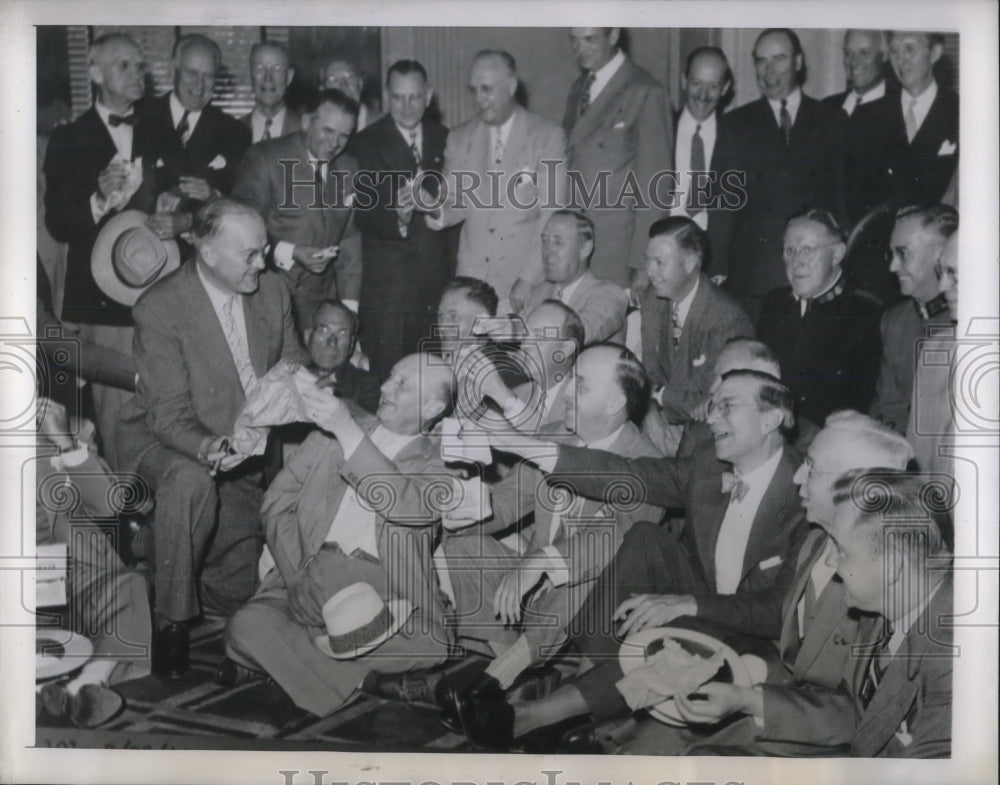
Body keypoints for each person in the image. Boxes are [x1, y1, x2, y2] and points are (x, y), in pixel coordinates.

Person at [453, 369, 807, 749]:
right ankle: (582, 693)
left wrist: (687, 603)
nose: (712, 416)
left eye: (728, 407)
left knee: (683, 634)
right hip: (706, 595)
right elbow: (625, 473)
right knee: (644, 539)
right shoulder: (708, 466)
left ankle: (538, 716)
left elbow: (776, 612)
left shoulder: (804, 492)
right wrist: (523, 445)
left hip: (760, 631)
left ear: (770, 419)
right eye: (713, 405)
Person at [364, 344, 663, 713]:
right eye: (570, 378)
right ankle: (512, 664)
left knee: (589, 573)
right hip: (539, 591)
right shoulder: (557, 438)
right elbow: (505, 503)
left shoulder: (650, 466)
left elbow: (612, 539)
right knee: (461, 543)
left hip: (599, 605)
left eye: (580, 385)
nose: (566, 391)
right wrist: (461, 510)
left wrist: (538, 562)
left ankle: (495, 680)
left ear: (616, 401)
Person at [617, 411, 914, 756]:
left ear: (858, 487)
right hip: (776, 679)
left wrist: (751, 698)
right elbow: (782, 625)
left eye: (812, 468)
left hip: (816, 730)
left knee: (683, 750)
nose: (798, 476)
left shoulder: (880, 584)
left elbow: (855, 711)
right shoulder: (815, 537)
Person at [116, 198, 309, 676]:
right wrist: (211, 447)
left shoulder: (273, 292)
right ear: (208, 255)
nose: (261, 263)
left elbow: (295, 366)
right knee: (189, 482)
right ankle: (170, 621)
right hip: (167, 445)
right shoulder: (161, 308)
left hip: (245, 454)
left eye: (263, 250)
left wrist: (291, 397)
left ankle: (157, 549)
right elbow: (168, 414)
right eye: (250, 254)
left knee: (238, 593)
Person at [223, 353, 455, 717]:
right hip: (311, 568)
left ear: (433, 405)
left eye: (402, 383)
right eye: (390, 376)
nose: (384, 387)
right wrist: (294, 576)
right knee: (244, 626)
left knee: (431, 645)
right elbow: (275, 504)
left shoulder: (443, 463)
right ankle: (373, 682)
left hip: (383, 591)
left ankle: (283, 661)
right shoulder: (327, 437)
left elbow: (408, 506)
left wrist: (348, 430)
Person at [679, 470, 954, 758]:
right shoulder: (887, 605)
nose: (831, 562)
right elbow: (860, 712)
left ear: (893, 567)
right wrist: (746, 700)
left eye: (842, 551)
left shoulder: (955, 674)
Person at [43, 32, 170, 471]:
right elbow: (57, 222)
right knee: (115, 422)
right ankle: (124, 521)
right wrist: (97, 200)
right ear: (95, 73)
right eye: (124, 66)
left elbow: (177, 201)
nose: (138, 75)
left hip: (159, 295)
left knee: (162, 413)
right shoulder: (68, 138)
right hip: (100, 305)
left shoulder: (160, 129)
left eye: (141, 66)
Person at [710, 28, 848, 318]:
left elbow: (842, 199)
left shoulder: (832, 119)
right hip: (755, 275)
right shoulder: (736, 124)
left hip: (815, 270)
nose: (768, 70)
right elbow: (722, 204)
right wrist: (718, 267)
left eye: (779, 59)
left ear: (798, 62)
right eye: (761, 61)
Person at [35, 397, 152, 729]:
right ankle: (40, 686)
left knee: (131, 586)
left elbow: (108, 505)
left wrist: (67, 444)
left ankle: (86, 685)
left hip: (77, 573)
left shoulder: (68, 428)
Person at [426, 50, 567, 313]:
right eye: (474, 90)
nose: (478, 99)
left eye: (486, 89)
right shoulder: (459, 138)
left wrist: (527, 279)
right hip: (471, 287)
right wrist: (433, 207)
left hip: (522, 286)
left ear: (511, 86)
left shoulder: (547, 137)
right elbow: (454, 203)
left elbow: (550, 215)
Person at [353, 59, 458, 379]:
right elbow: (361, 214)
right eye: (398, 97)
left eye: (414, 97)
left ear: (429, 95)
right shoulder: (364, 142)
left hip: (438, 284)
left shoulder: (449, 138)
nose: (407, 106)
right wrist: (397, 216)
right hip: (390, 292)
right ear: (387, 96)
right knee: (391, 381)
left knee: (436, 382)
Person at [232, 87, 363, 326]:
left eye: (344, 135)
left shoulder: (349, 168)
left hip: (322, 305)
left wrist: (349, 312)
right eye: (328, 130)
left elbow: (350, 243)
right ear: (305, 122)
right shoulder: (265, 158)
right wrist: (291, 252)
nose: (335, 143)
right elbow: (240, 233)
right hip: (267, 299)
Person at [562, 28, 674, 288]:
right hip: (577, 244)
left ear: (613, 36)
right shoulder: (578, 89)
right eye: (574, 40)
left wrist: (643, 261)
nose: (580, 49)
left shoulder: (646, 90)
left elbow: (656, 186)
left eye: (589, 39)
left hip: (616, 251)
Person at [639, 216, 754, 454]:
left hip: (704, 439)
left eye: (659, 262)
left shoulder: (727, 319)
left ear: (690, 263)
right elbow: (648, 371)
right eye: (647, 260)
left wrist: (655, 396)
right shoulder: (652, 299)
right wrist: (653, 408)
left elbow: (708, 404)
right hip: (656, 419)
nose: (649, 271)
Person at [757, 209, 883, 426]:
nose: (797, 262)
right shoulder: (774, 303)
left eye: (807, 249)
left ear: (837, 254)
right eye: (790, 251)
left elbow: (862, 405)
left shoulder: (866, 314)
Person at [141, 33, 251, 237]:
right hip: (142, 251)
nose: (199, 85)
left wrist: (213, 196)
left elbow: (242, 204)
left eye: (208, 76)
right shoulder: (139, 117)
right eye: (191, 73)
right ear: (172, 69)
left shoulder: (235, 132)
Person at [871, 205, 956, 434]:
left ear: (941, 254)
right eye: (892, 254)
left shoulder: (972, 321)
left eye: (903, 253)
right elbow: (889, 408)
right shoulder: (895, 321)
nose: (892, 266)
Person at [822, 30, 898, 223]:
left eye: (864, 53)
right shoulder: (825, 108)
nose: (853, 63)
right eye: (848, 53)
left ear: (885, 56)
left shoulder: (900, 109)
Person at [521, 210, 628, 344]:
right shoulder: (539, 293)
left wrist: (520, 330)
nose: (547, 251)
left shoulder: (611, 296)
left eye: (558, 243)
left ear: (585, 249)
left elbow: (579, 332)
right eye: (545, 241)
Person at [883, 31, 959, 208]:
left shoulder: (962, 112)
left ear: (935, 53)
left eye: (910, 48)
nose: (901, 59)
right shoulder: (868, 116)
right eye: (894, 50)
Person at [906, 231, 959, 475]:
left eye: (954, 274)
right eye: (941, 272)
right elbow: (919, 460)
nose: (941, 286)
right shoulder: (935, 350)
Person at [672, 46, 734, 247]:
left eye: (713, 86)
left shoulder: (736, 136)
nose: (703, 95)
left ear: (725, 88)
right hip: (665, 239)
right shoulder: (661, 128)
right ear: (684, 81)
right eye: (696, 83)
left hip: (712, 247)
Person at [241, 41, 301, 143]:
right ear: (250, 75)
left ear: (289, 77)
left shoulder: (306, 130)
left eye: (277, 69)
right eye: (260, 69)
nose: (268, 78)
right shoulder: (233, 132)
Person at [319, 57, 380, 131]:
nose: (343, 85)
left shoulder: (382, 126)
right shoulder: (317, 128)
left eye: (349, 76)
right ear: (323, 90)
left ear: (360, 83)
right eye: (333, 80)